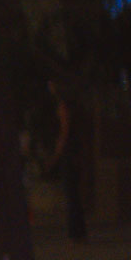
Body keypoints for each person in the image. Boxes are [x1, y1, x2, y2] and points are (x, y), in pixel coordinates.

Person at [45, 80, 87, 243]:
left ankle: (75, 233)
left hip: (69, 153)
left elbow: (65, 131)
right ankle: (79, 231)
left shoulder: (64, 107)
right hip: (74, 152)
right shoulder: (74, 107)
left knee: (71, 194)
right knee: (73, 193)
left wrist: (56, 155)